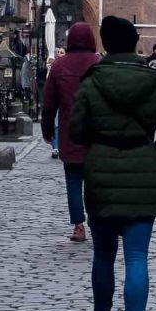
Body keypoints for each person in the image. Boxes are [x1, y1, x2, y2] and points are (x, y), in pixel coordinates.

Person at [70, 15, 156, 311]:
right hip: (143, 170)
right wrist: (151, 157)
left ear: (105, 44)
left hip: (102, 174)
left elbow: (76, 131)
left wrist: (99, 148)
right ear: (136, 42)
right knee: (137, 257)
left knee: (104, 255)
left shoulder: (92, 82)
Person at [41, 23, 100, 241]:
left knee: (73, 180)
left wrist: (48, 131)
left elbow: (48, 105)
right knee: (95, 181)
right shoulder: (99, 63)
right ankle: (97, 221)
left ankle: (79, 225)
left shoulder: (58, 66)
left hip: (70, 131)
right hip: (96, 133)